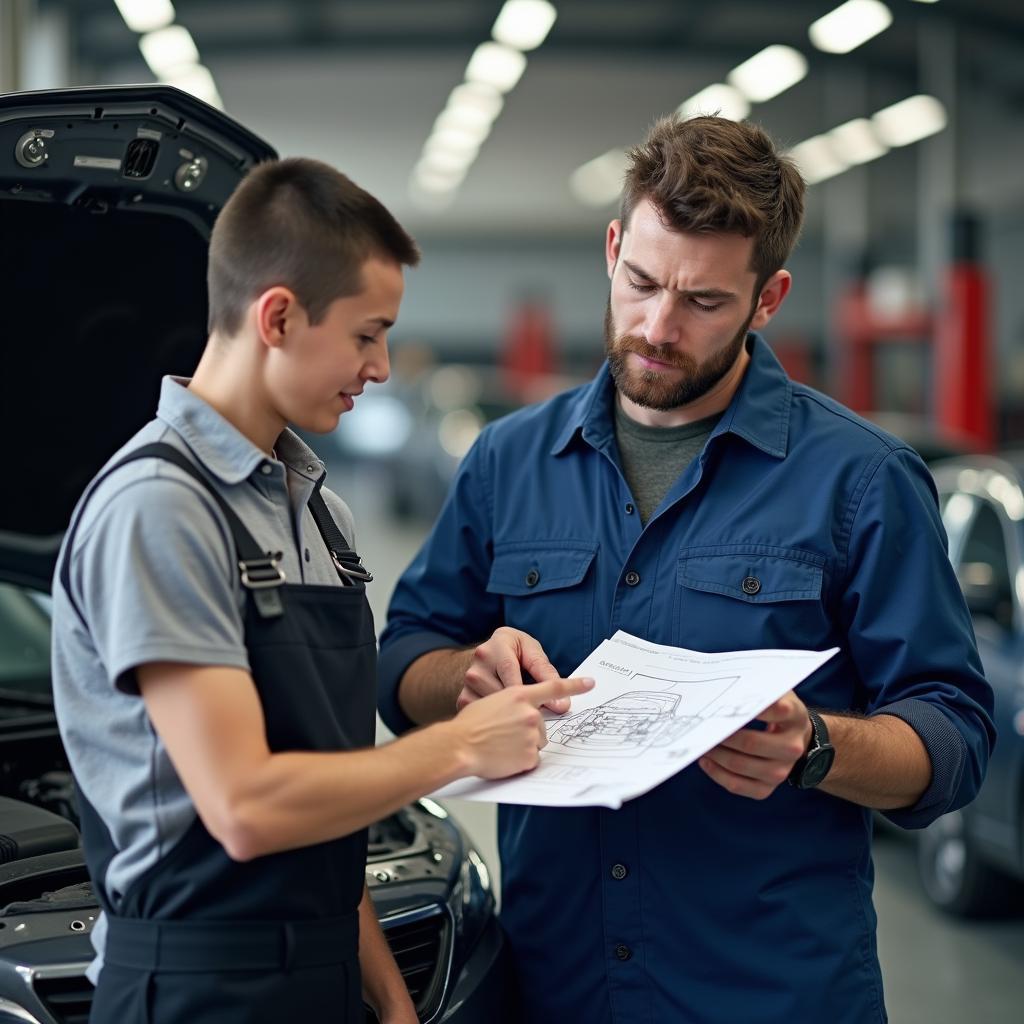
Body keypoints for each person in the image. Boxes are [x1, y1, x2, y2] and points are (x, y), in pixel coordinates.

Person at [377, 116, 996, 1024]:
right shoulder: (506, 464)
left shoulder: (862, 481)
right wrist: (464, 679)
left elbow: (955, 738)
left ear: (769, 296)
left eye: (703, 302)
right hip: (557, 990)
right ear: (614, 244)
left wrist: (816, 748)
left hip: (770, 995)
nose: (658, 327)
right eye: (641, 284)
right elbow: (402, 667)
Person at [50, 157, 591, 1024]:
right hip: (198, 990)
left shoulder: (322, 516)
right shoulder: (160, 506)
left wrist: (388, 996)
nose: (381, 366)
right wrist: (459, 747)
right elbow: (248, 806)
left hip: (327, 972)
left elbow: (330, 803)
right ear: (278, 316)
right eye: (367, 334)